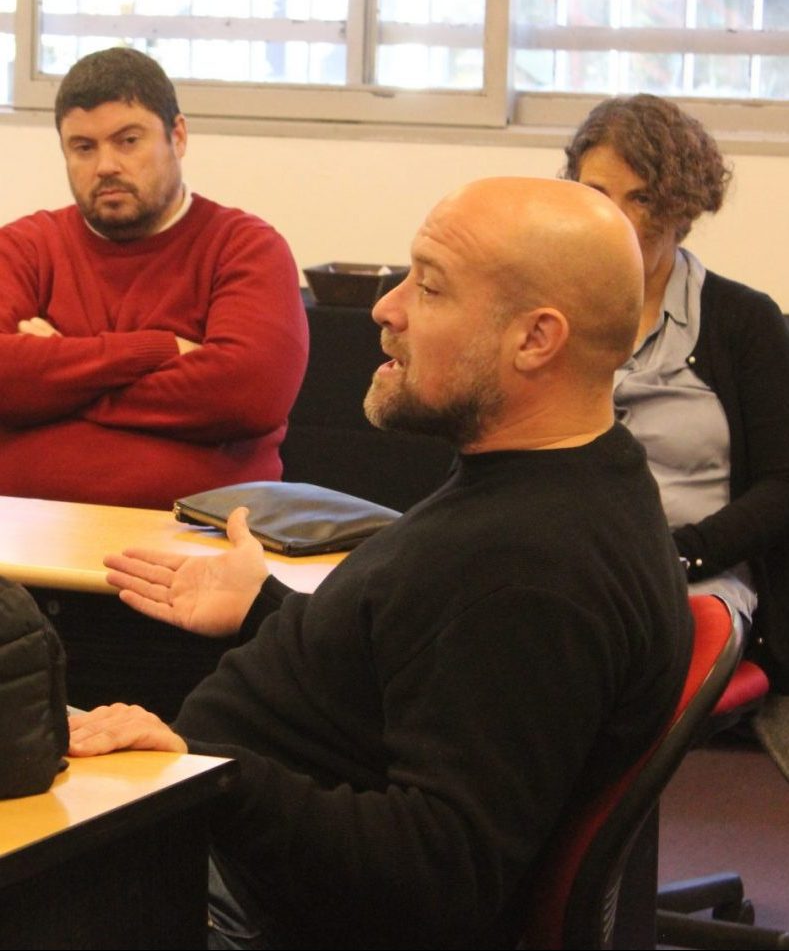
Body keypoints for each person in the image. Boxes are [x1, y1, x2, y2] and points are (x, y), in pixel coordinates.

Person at [68, 178, 693, 950]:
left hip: (242, 905)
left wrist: (202, 774)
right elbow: (421, 675)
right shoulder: (558, 484)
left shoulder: (529, 572)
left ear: (535, 339)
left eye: (428, 287)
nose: (385, 308)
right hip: (232, 857)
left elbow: (436, 875)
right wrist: (264, 607)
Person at [0, 47, 308, 509]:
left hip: (194, 551)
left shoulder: (246, 247)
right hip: (22, 554)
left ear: (177, 136)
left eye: (128, 141)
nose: (105, 166)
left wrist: (58, 379)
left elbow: (246, 394)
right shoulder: (25, 246)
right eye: (83, 147)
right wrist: (157, 349)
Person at [563, 93, 789, 689]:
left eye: (639, 198)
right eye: (596, 195)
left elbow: (782, 487)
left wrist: (679, 553)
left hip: (693, 576)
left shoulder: (744, 322)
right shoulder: (548, 309)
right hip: (567, 566)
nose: (612, 217)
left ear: (681, 207)